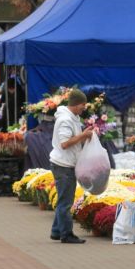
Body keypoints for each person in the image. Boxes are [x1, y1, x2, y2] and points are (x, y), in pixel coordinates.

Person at [49, 89, 95, 244]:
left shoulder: (73, 117)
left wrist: (84, 134)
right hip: (63, 165)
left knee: (64, 199)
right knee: (66, 201)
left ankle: (56, 231)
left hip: (67, 163)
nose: (84, 108)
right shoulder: (65, 120)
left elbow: (72, 140)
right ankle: (66, 234)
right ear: (76, 104)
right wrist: (83, 135)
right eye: (83, 105)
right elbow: (65, 143)